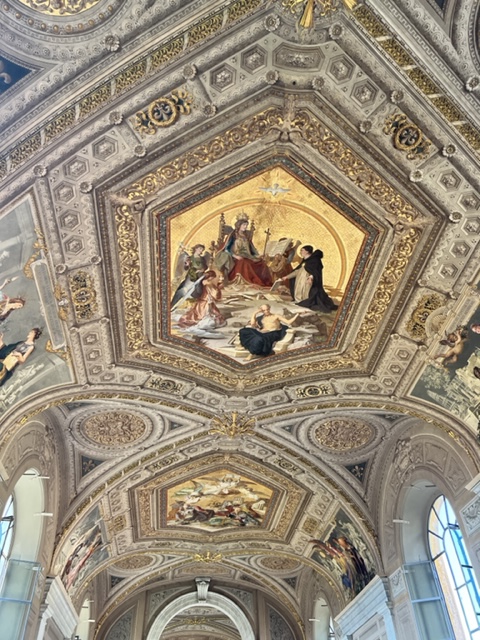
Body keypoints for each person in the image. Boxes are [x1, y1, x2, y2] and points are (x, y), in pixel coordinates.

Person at [214, 218, 272, 287]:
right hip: (235, 257)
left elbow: (251, 249)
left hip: (248, 256)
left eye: (246, 225)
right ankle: (250, 281)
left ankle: (263, 282)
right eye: (244, 225)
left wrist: (258, 255)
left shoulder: (246, 236)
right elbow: (227, 249)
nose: (245, 226)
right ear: (239, 225)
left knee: (262, 263)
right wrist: (235, 256)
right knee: (245, 263)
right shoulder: (233, 235)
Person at [279, 245, 337, 312]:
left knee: (306, 293)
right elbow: (297, 271)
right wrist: (287, 277)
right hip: (300, 281)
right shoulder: (305, 261)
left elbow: (315, 271)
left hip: (307, 281)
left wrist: (311, 278)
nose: (300, 252)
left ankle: (304, 302)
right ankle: (300, 301)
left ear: (307, 251)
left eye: (302, 250)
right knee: (299, 293)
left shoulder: (315, 260)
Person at [171, 244, 208, 309]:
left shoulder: (202, 259)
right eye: (200, 249)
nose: (201, 251)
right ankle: (173, 305)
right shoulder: (190, 258)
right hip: (191, 276)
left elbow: (205, 267)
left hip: (200, 277)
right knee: (183, 290)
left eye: (202, 250)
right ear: (196, 249)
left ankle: (198, 308)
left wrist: (201, 270)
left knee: (200, 291)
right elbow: (186, 268)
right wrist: (187, 264)